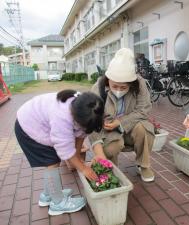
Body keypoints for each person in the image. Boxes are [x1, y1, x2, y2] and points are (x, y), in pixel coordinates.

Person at [15, 90, 104, 215]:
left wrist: (78, 158)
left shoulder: (85, 106)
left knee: (53, 159)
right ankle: (57, 204)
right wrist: (83, 168)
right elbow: (66, 150)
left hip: (37, 121)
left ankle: (47, 196)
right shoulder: (62, 117)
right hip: (29, 128)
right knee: (52, 162)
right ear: (76, 118)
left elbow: (81, 134)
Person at [89, 48, 155, 182]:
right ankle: (112, 170)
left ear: (131, 83)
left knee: (145, 129)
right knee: (112, 146)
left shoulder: (140, 83)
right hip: (108, 132)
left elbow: (143, 109)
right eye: (115, 86)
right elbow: (91, 120)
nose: (118, 90)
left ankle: (144, 165)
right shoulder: (98, 88)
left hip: (131, 126)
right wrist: (97, 147)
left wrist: (120, 122)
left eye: (123, 87)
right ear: (108, 80)